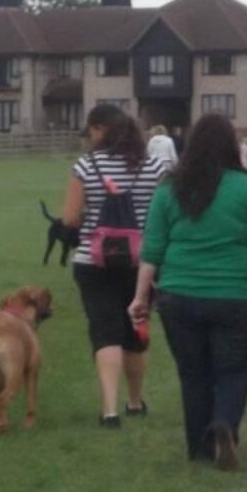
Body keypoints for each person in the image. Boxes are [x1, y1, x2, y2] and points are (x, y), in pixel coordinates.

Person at [130, 114, 247, 467]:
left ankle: (199, 449)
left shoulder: (169, 188)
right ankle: (224, 425)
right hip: (236, 295)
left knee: (193, 374)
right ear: (232, 145)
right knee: (233, 371)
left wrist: (140, 297)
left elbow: (152, 249)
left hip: (179, 295)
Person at [62, 104, 167, 428]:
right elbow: (162, 214)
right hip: (142, 261)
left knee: (105, 332)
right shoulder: (154, 166)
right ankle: (135, 401)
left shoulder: (86, 165)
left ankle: (109, 411)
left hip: (94, 262)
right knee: (135, 329)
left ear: (100, 129)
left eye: (90, 131)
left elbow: (69, 218)